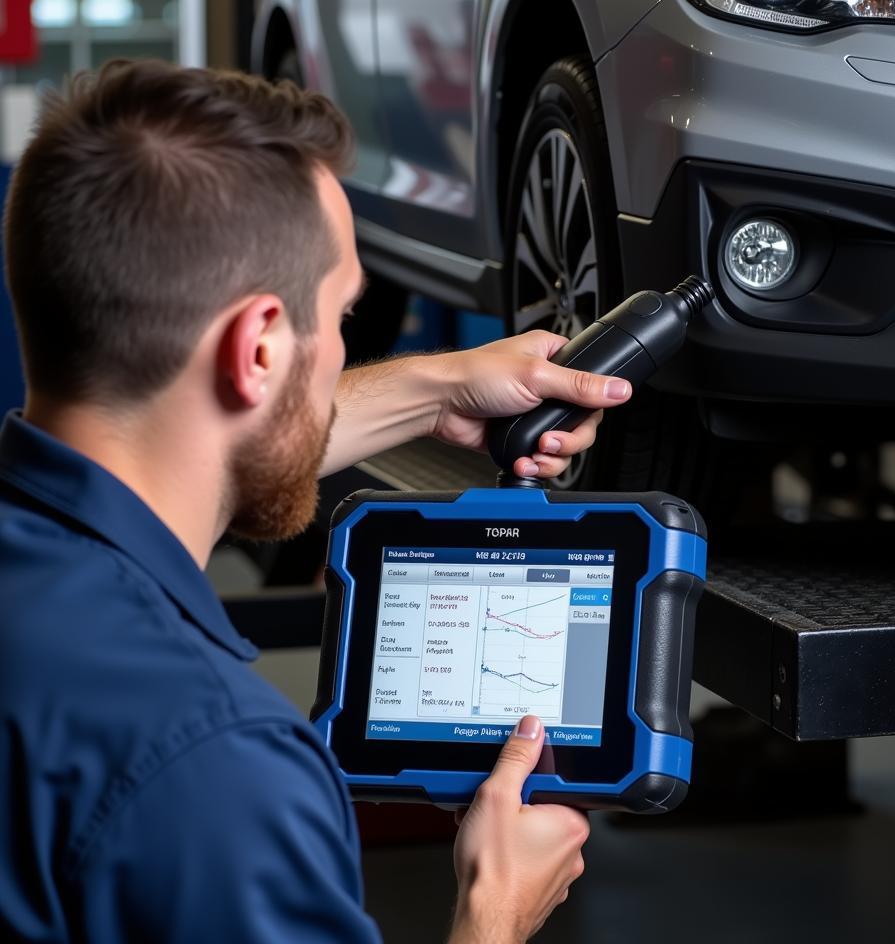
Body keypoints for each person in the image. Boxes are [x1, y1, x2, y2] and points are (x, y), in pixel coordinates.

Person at [0, 60, 635, 943]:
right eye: (342, 319)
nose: (344, 351)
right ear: (259, 346)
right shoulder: (213, 759)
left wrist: (439, 387)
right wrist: (495, 913)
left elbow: (204, 442)